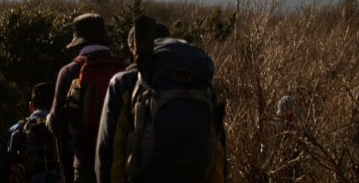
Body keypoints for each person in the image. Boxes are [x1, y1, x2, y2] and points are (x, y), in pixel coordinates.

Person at [96, 21, 227, 183]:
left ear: (134, 48)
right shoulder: (199, 83)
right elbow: (218, 149)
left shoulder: (124, 82)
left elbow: (109, 150)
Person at [47, 13, 125, 183]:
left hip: (85, 163)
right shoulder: (124, 69)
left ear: (77, 45)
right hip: (121, 163)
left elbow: (56, 122)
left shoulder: (69, 72)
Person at [0, 82, 60, 183]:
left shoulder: (16, 129)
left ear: (31, 106)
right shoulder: (64, 130)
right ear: (54, 105)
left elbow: (3, 169)